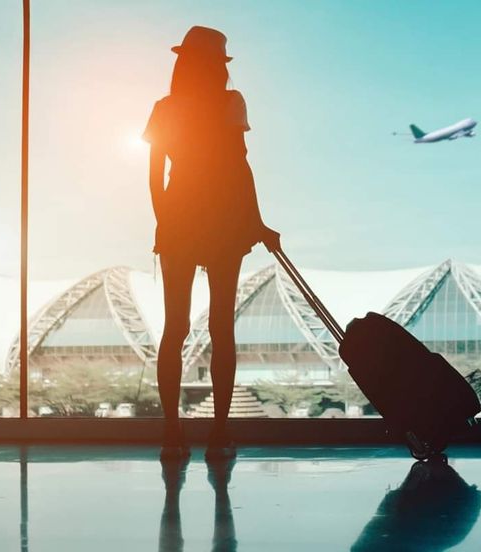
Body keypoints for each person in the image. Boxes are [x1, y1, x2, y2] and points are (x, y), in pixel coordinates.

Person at [143, 26, 280, 460]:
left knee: (175, 329)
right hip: (224, 220)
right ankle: (219, 433)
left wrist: (166, 222)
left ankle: (171, 433)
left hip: (180, 218)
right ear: (218, 65)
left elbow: (153, 175)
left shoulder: (165, 108)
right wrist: (257, 223)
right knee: (222, 328)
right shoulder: (229, 102)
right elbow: (240, 167)